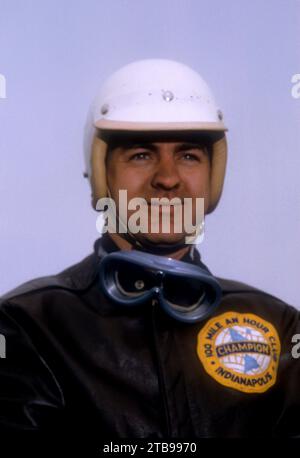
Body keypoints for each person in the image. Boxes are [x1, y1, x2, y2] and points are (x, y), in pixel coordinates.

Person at [0, 59, 299, 441]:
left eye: (189, 155)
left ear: (213, 176)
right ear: (102, 173)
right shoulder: (28, 324)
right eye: (141, 154)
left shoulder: (279, 324)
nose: (168, 178)